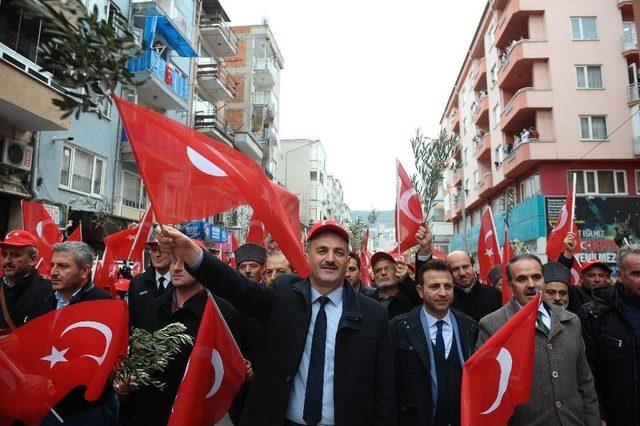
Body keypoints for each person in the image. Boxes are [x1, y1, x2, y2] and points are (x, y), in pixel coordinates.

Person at [156, 219, 395, 425]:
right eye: (322, 250)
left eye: (339, 252)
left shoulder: (374, 315)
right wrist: (192, 254)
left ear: (348, 259)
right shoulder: (282, 294)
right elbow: (235, 287)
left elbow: (385, 394)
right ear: (307, 255)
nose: (330, 259)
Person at [124, 238, 241, 425]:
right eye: (174, 261)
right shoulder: (150, 309)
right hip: (149, 414)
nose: (177, 268)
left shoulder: (222, 313)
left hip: (193, 414)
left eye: (185, 262)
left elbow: (227, 371)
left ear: (201, 266)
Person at [477, 254, 600, 426]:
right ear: (510, 284)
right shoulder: (492, 325)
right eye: (521, 279)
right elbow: (487, 393)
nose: (531, 285)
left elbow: (585, 382)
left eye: (536, 277)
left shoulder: (571, 321)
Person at [391, 259, 478, 426]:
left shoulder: (469, 326)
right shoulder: (399, 329)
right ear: (420, 291)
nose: (443, 293)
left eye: (448, 286)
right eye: (434, 286)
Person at [42, 242, 118, 426]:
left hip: (85, 410)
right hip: (47, 404)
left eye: (63, 266)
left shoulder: (104, 305)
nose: (53, 272)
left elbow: (98, 361)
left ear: (84, 271)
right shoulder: (45, 299)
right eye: (53, 265)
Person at [579, 244, 640, 426]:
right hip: (617, 415)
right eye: (636, 273)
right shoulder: (595, 314)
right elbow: (587, 371)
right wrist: (598, 414)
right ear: (619, 276)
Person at [415, 225, 501, 322]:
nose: (462, 273)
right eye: (455, 269)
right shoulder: (443, 298)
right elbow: (426, 277)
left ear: (473, 267)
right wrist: (425, 250)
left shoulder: (494, 294)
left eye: (465, 267)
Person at [0, 229, 52, 333]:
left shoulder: (48, 292)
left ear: (33, 259)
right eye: (5, 254)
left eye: (15, 255)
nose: (7, 261)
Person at [558, 232, 612, 311]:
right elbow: (559, 277)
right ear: (582, 277)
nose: (597, 280)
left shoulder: (613, 295)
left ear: (606, 277)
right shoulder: (574, 293)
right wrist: (568, 253)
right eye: (591, 275)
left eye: (601, 275)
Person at [128, 238, 172, 327]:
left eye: (162, 250)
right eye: (154, 250)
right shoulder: (137, 283)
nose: (157, 255)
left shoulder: (183, 282)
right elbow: (132, 318)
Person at [369, 251, 416, 319]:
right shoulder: (368, 302)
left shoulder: (409, 299)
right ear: (374, 275)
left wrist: (406, 279)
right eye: (378, 270)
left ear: (396, 270)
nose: (383, 273)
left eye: (387, 268)